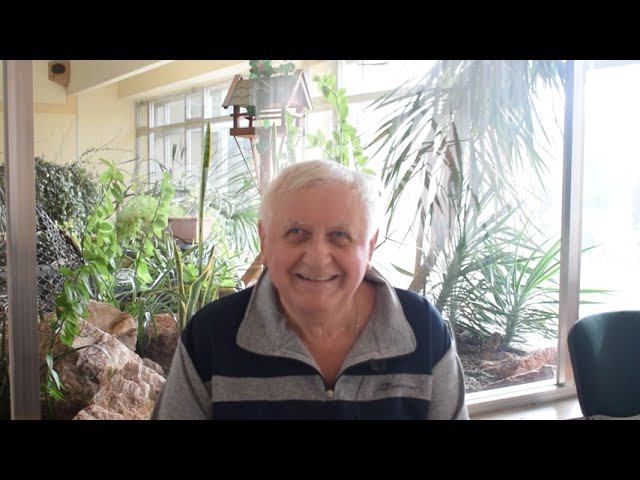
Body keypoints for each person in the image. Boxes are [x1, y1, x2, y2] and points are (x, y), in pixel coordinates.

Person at [152, 160, 468, 420]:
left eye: (340, 235)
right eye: (296, 232)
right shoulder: (211, 335)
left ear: (370, 246)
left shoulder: (423, 330)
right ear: (265, 240)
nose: (317, 258)